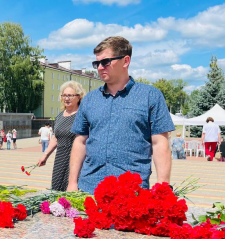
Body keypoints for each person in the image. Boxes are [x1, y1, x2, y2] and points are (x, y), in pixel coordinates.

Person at [68, 36, 174, 194]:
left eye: (105, 62)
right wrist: (72, 183)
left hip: (131, 192)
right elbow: (80, 142)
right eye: (96, 63)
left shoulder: (150, 96)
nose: (99, 67)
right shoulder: (90, 99)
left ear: (125, 61)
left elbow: (159, 143)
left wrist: (162, 187)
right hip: (89, 188)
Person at [37, 81, 85, 191]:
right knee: (57, 189)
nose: (66, 98)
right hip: (60, 158)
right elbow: (56, 137)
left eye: (70, 95)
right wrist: (45, 155)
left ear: (79, 97)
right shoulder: (59, 116)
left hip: (76, 159)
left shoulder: (82, 116)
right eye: (64, 95)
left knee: (73, 191)